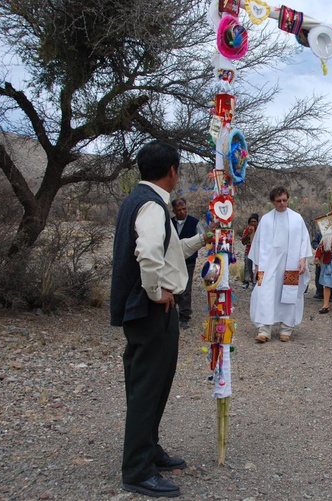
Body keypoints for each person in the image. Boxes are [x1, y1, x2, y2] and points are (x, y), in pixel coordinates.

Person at [110, 140, 214, 498]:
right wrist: (157, 292)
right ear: (172, 171)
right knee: (147, 387)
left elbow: (170, 250)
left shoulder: (138, 201)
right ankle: (137, 470)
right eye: (179, 169)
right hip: (153, 310)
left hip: (145, 311)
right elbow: (150, 256)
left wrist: (202, 239)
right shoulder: (152, 207)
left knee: (152, 384)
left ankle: (148, 448)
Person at [248, 186, 312, 343]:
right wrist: (257, 265)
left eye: (284, 200)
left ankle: (286, 328)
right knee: (265, 293)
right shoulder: (266, 219)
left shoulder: (297, 218)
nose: (282, 203)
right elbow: (258, 243)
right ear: (272, 202)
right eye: (278, 201)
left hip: (290, 265)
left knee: (289, 295)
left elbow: (304, 240)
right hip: (268, 265)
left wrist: (303, 260)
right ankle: (264, 329)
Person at [170, 198, 204, 330]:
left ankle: (184, 316)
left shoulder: (194, 222)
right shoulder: (169, 223)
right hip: (172, 261)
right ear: (174, 211)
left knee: (186, 287)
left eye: (184, 209)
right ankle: (172, 315)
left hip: (188, 261)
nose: (182, 212)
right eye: (179, 210)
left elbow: (202, 238)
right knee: (172, 286)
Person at [240, 213, 259, 289]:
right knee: (248, 267)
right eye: (252, 222)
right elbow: (243, 242)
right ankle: (247, 281)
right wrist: (248, 233)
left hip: (257, 252)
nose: (253, 223)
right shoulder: (247, 230)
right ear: (249, 223)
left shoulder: (260, 230)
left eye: (255, 222)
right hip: (249, 251)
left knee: (255, 267)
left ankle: (255, 282)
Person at [311, 226, 324, 299]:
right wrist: (317, 247)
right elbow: (314, 242)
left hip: (330, 257)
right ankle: (319, 292)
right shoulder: (320, 233)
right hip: (320, 257)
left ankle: (331, 294)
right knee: (318, 273)